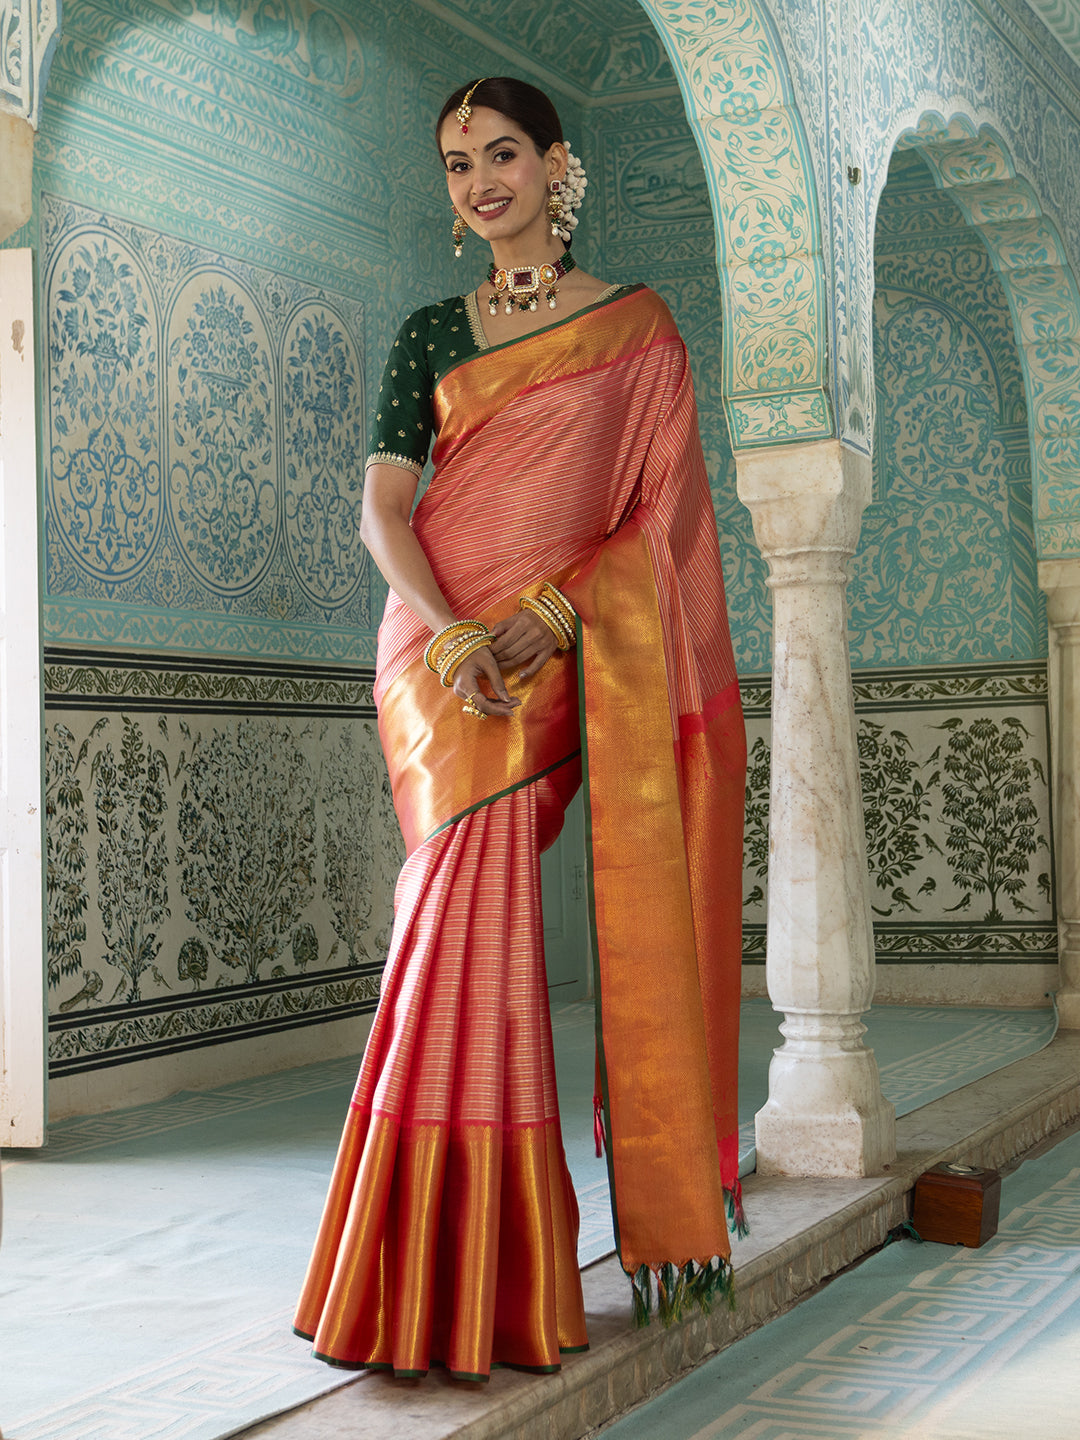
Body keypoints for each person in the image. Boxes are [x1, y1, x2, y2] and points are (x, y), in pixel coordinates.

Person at [293, 76, 746, 1382]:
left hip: (552, 649)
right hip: (434, 656)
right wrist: (447, 632)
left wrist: (553, 612)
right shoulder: (431, 334)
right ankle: (428, 1269)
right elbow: (386, 510)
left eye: (501, 154)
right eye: (457, 164)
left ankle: (452, 1272)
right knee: (449, 915)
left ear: (556, 163)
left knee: (473, 933)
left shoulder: (635, 329)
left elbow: (661, 523)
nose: (481, 181)